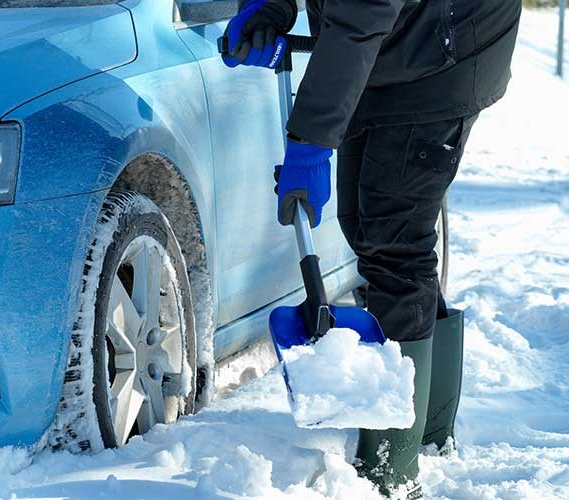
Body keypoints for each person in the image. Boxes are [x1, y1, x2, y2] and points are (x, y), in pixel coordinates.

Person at [222, 0, 522, 496]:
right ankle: (427, 429)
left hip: (445, 48)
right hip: (392, 42)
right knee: (365, 225)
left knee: (395, 240)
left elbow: (364, 11)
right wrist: (265, 7)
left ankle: (392, 465)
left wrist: (310, 143)